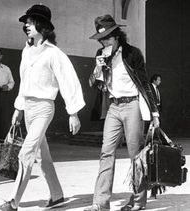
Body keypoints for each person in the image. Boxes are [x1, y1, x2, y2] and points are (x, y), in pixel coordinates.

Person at [0, 4, 85, 211]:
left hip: (44, 108)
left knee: (26, 153)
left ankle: (12, 202)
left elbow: (68, 81)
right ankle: (57, 195)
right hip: (28, 107)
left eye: (31, 21)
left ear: (42, 26)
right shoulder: (27, 51)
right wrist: (19, 108)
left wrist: (73, 113)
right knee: (43, 156)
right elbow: (24, 82)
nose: (26, 25)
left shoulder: (54, 53)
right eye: (26, 22)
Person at [85, 15, 159, 211]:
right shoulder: (101, 54)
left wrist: (155, 112)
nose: (104, 42)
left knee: (136, 154)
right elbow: (95, 84)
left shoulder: (132, 53)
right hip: (113, 107)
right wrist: (98, 68)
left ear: (117, 36)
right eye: (101, 39)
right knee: (106, 152)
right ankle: (100, 203)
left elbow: (144, 83)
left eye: (108, 38)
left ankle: (138, 200)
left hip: (133, 105)